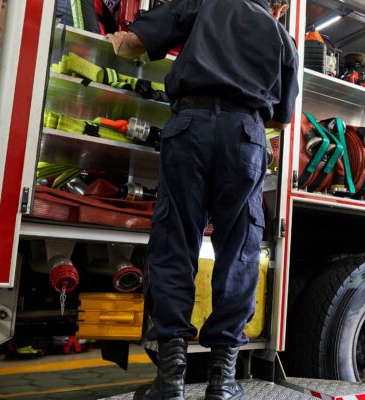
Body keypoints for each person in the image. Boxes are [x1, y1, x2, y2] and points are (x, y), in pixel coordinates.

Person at [106, 1, 298, 399]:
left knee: (175, 240)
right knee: (240, 250)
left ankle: (170, 380)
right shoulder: (283, 38)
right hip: (246, 135)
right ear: (278, 5)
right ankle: (222, 381)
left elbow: (133, 45)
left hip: (189, 127)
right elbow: (280, 119)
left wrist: (118, 40)